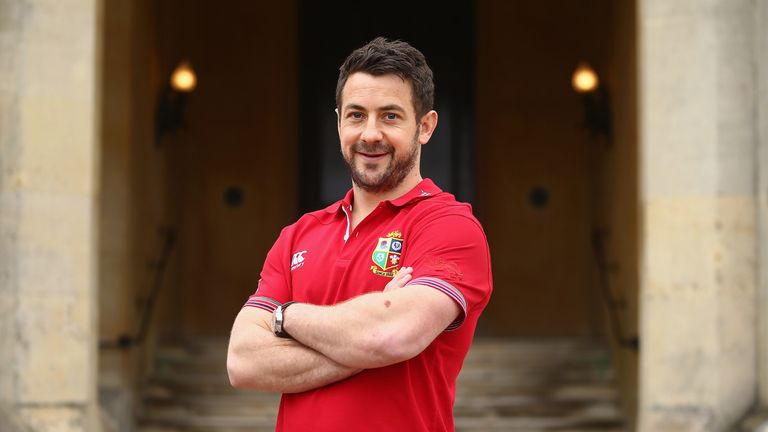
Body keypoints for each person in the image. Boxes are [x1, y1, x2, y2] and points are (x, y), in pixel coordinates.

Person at [227, 37, 493, 432]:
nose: (370, 134)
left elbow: (391, 336)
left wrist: (284, 317)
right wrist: (365, 340)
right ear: (338, 122)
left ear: (425, 126)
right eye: (356, 115)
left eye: (390, 116)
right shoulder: (298, 235)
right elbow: (243, 362)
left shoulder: (449, 226)